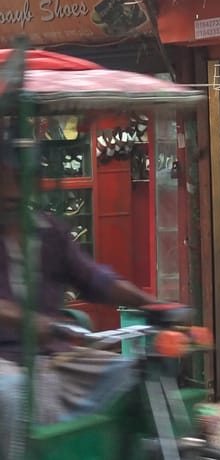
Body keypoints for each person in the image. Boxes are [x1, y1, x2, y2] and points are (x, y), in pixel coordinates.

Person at [0, 143, 159, 458]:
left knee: (129, 373)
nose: (12, 193)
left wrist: (151, 303)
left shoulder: (49, 232)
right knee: (14, 394)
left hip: (50, 355)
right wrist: (26, 320)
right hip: (6, 359)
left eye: (18, 182)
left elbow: (94, 279)